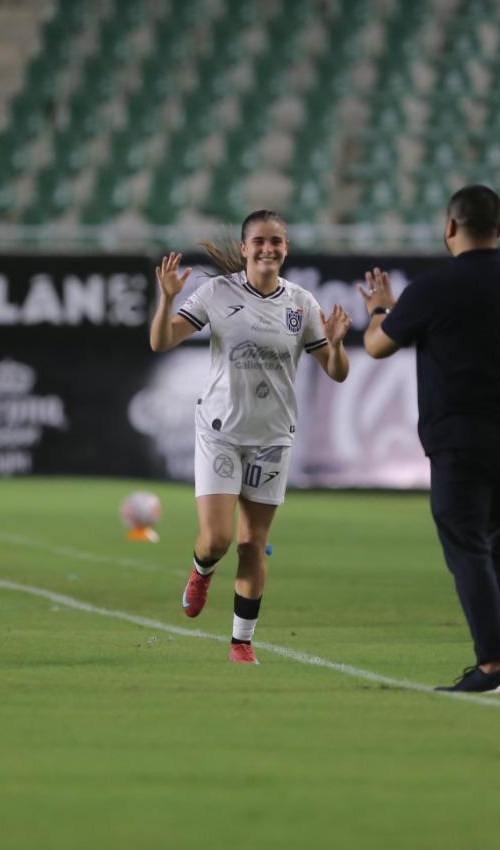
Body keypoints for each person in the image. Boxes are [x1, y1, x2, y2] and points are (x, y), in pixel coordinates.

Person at [357, 185, 500, 694]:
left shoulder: (434, 288)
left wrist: (380, 308)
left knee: (465, 545)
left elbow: (377, 346)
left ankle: (493, 666)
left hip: (460, 437)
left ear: (449, 228)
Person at [148, 210, 350, 665]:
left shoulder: (300, 303)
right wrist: (166, 301)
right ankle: (201, 572)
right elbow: (161, 342)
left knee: (252, 544)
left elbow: (336, 373)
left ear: (286, 248)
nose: (268, 249)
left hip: (273, 437)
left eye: (276, 241)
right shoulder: (217, 292)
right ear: (244, 249)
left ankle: (241, 642)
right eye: (259, 241)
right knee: (217, 540)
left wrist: (335, 345)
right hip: (221, 432)